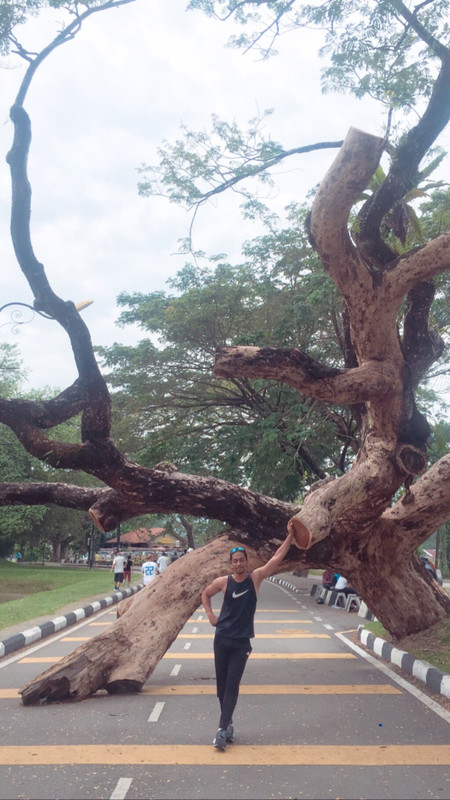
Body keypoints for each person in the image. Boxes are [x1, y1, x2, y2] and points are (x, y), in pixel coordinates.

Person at [201, 530, 294, 751]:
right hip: (222, 639)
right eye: (235, 561)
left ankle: (221, 731)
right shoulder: (223, 582)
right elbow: (205, 594)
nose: (239, 564)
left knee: (232, 686)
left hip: (241, 643)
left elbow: (276, 558)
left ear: (247, 562)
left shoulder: (255, 579)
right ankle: (229, 723)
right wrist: (211, 616)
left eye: (242, 560)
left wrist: (290, 536)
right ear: (231, 564)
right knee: (221, 689)